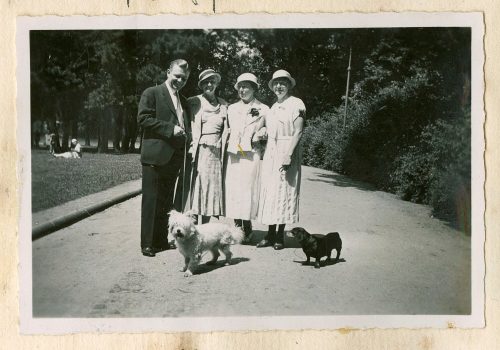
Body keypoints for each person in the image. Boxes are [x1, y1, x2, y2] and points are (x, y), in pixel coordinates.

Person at [137, 59, 191, 257]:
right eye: (176, 76)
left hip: (173, 158)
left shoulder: (183, 100)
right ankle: (148, 244)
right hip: (154, 156)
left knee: (165, 202)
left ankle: (160, 240)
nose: (179, 80)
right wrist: (171, 129)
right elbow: (143, 119)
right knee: (151, 201)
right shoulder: (151, 93)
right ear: (168, 72)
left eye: (184, 78)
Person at [256, 69, 306, 250]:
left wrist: (289, 154)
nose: (279, 86)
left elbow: (298, 131)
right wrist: (263, 133)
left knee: (284, 192)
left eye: (283, 83)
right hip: (271, 152)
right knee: (270, 193)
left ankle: (279, 236)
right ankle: (269, 234)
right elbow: (269, 130)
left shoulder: (296, 104)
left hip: (287, 150)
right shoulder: (273, 107)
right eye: (276, 83)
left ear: (289, 85)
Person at [225, 73, 269, 244]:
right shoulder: (231, 108)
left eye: (247, 86)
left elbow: (269, 130)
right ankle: (237, 226)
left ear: (254, 88)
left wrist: (262, 132)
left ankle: (247, 225)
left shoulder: (264, 108)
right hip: (235, 154)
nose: (242, 90)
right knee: (234, 189)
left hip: (251, 154)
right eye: (240, 86)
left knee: (248, 189)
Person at [187, 69, 228, 224]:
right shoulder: (194, 101)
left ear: (216, 84)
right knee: (199, 185)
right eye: (205, 82)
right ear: (201, 85)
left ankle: (204, 227)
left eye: (212, 82)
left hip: (217, 153)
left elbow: (229, 128)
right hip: (200, 150)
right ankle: (192, 226)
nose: (209, 85)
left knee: (211, 188)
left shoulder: (224, 104)